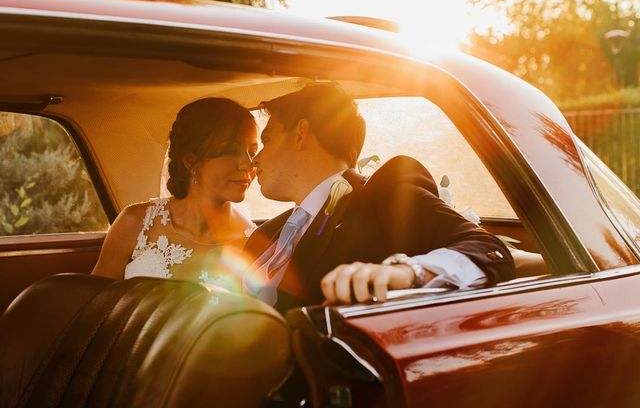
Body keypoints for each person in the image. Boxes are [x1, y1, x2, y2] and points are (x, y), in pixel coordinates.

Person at [243, 83, 515, 312]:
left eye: (267, 139)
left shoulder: (384, 192)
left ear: (301, 134)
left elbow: (487, 248)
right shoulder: (264, 235)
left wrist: (407, 272)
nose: (256, 158)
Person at [93, 97, 258, 287]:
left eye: (252, 153)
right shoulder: (135, 223)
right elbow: (92, 304)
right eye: (230, 150)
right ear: (190, 160)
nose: (248, 164)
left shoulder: (254, 245)